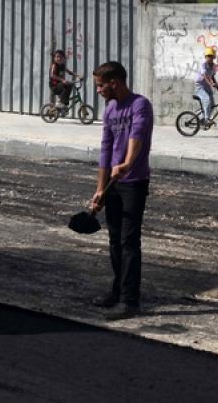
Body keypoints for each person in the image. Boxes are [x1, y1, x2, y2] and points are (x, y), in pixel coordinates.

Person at [90, 61, 153, 321]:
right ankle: (116, 291)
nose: (99, 91)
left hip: (134, 182)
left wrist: (127, 163)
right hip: (113, 184)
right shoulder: (110, 110)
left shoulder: (140, 105)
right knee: (114, 239)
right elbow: (106, 150)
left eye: (100, 86)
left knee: (129, 241)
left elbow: (136, 136)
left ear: (114, 82)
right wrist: (100, 189)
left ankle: (130, 300)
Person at [196, 47, 218, 129]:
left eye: (211, 56)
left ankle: (203, 117)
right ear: (205, 57)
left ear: (214, 57)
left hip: (207, 86)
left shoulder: (214, 66)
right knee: (207, 100)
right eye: (207, 56)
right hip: (200, 86)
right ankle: (206, 119)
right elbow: (205, 76)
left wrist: (216, 84)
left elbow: (212, 76)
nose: (209, 57)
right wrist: (211, 84)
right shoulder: (203, 65)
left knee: (212, 104)